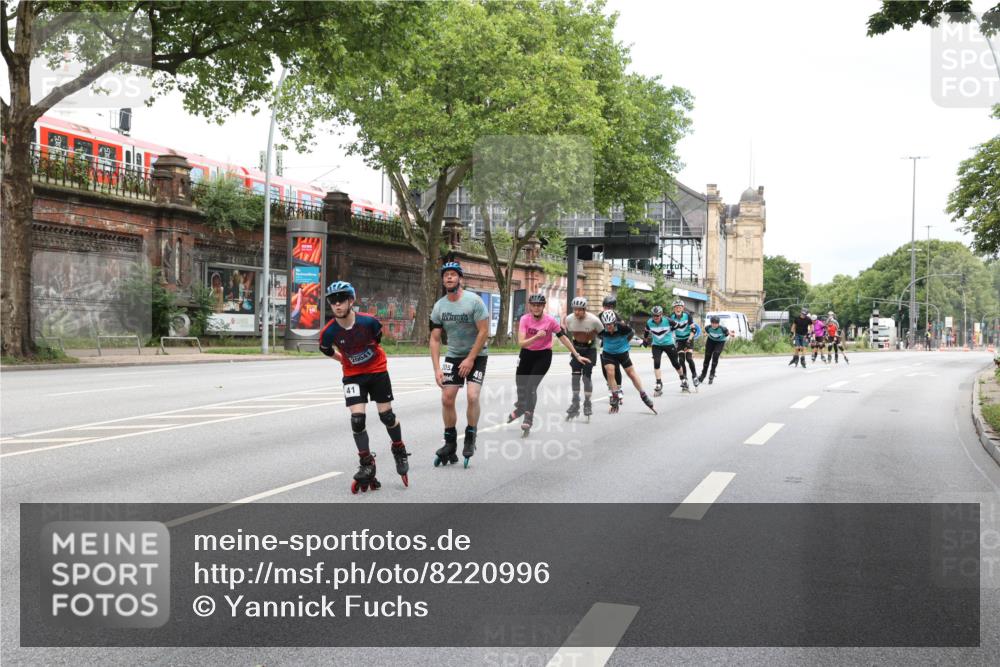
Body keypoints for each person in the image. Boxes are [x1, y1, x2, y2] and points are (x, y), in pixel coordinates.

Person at [318, 281, 409, 493]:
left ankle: (399, 448)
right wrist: (342, 359)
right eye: (333, 301)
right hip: (352, 376)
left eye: (341, 300)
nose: (337, 305)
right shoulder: (329, 332)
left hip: (377, 371)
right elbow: (325, 349)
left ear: (351, 300)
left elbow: (377, 339)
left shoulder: (369, 322)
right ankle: (367, 463)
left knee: (386, 416)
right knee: (357, 420)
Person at [430, 261, 489, 468]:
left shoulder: (474, 302)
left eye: (453, 275)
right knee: (447, 398)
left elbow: (484, 331)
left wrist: (471, 358)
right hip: (454, 356)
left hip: (477, 355)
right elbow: (435, 339)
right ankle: (450, 443)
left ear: (460, 279)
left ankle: (471, 436)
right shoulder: (439, 306)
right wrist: (437, 368)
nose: (449, 278)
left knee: (472, 395)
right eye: (446, 275)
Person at [509, 293, 591, 436]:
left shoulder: (550, 321)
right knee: (520, 385)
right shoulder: (524, 319)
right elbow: (521, 343)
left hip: (543, 356)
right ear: (530, 306)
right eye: (533, 305)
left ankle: (528, 417)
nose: (536, 308)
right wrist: (536, 336)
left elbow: (563, 338)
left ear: (543, 306)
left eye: (539, 305)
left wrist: (576, 355)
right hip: (526, 354)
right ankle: (521, 406)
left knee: (531, 387)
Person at [598, 309, 656, 414]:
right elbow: (599, 336)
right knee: (610, 372)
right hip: (608, 353)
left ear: (614, 322)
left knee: (631, 374)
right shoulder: (601, 329)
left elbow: (631, 333)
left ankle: (643, 394)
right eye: (606, 325)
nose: (609, 327)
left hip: (622, 352)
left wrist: (624, 342)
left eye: (610, 324)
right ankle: (615, 395)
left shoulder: (622, 327)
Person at [563, 296, 603, 421]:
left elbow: (602, 334)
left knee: (586, 378)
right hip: (576, 349)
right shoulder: (569, 319)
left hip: (590, 349)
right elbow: (569, 333)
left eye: (579, 309)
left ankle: (587, 403)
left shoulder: (594, 320)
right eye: (575, 309)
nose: (577, 312)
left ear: (585, 309)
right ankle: (575, 402)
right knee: (575, 376)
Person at [643, 305, 682, 397]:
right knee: (656, 362)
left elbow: (677, 326)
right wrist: (645, 340)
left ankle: (683, 378)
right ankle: (659, 383)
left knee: (675, 363)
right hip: (656, 345)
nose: (656, 317)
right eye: (654, 315)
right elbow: (646, 331)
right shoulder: (649, 322)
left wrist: (671, 330)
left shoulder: (668, 320)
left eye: (658, 315)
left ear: (661, 315)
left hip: (668, 344)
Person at [668, 299, 699, 390]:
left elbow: (693, 330)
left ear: (683, 308)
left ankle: (694, 376)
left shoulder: (687, 316)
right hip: (679, 340)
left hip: (688, 338)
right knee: (681, 360)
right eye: (676, 307)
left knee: (689, 358)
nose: (678, 309)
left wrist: (689, 339)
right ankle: (685, 379)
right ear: (674, 309)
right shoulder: (671, 317)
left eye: (680, 307)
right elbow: (670, 330)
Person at [698, 315, 735, 384]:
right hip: (711, 341)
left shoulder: (722, 329)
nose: (714, 325)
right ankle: (703, 374)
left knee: (716, 355)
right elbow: (705, 331)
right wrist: (704, 334)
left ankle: (712, 373)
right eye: (713, 323)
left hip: (720, 342)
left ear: (718, 323)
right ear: (711, 323)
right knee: (707, 357)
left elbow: (728, 332)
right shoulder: (708, 328)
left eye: (716, 323)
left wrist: (731, 334)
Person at [600, 294, 624, 398]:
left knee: (616, 368)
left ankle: (618, 388)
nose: (606, 309)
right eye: (605, 306)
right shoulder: (600, 315)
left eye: (609, 307)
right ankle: (611, 386)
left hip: (616, 346)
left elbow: (623, 328)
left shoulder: (616, 316)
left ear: (613, 307)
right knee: (605, 368)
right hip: (605, 345)